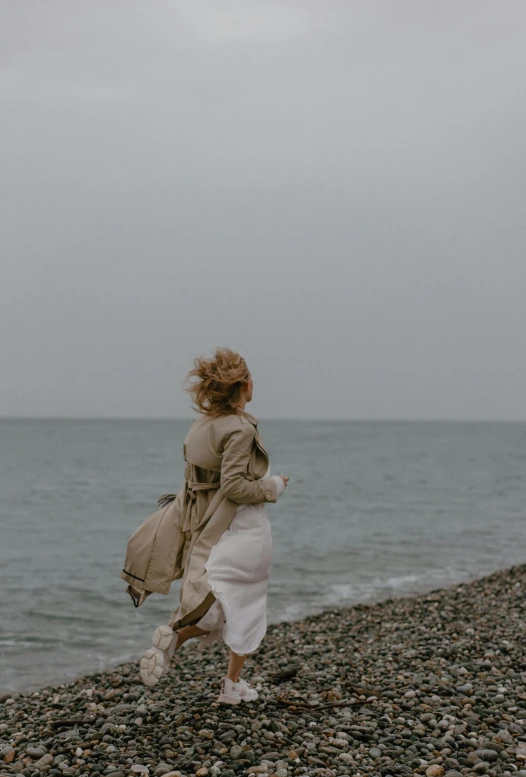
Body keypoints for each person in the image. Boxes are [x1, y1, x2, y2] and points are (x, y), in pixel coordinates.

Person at [138, 347, 289, 705]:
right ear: (244, 385)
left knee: (219, 600)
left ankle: (180, 640)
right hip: (244, 529)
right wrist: (275, 485)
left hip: (211, 527)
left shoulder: (201, 427)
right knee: (247, 607)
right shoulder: (239, 428)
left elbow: (201, 481)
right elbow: (235, 486)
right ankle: (231, 683)